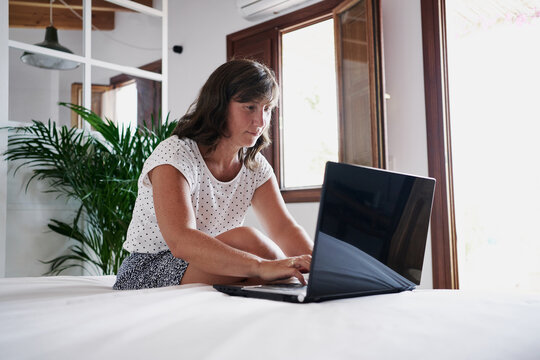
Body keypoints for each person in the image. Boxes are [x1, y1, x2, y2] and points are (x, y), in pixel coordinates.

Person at [113, 59, 312, 290]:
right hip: (148, 267)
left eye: (266, 109)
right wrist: (260, 266)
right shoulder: (176, 154)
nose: (260, 121)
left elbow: (284, 228)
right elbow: (180, 240)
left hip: (212, 261)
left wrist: (321, 266)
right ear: (218, 105)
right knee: (249, 242)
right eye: (250, 107)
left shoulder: (255, 166)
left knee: (275, 271)